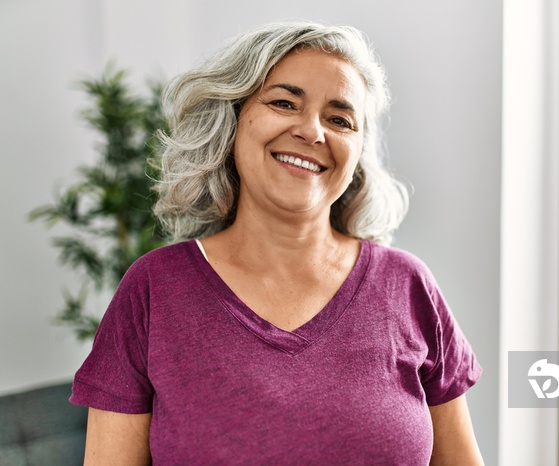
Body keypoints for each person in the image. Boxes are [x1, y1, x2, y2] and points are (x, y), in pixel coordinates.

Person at [70, 20, 484, 465]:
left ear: (358, 151)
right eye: (285, 102)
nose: (312, 131)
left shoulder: (408, 285)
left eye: (340, 119)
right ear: (232, 121)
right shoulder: (154, 289)